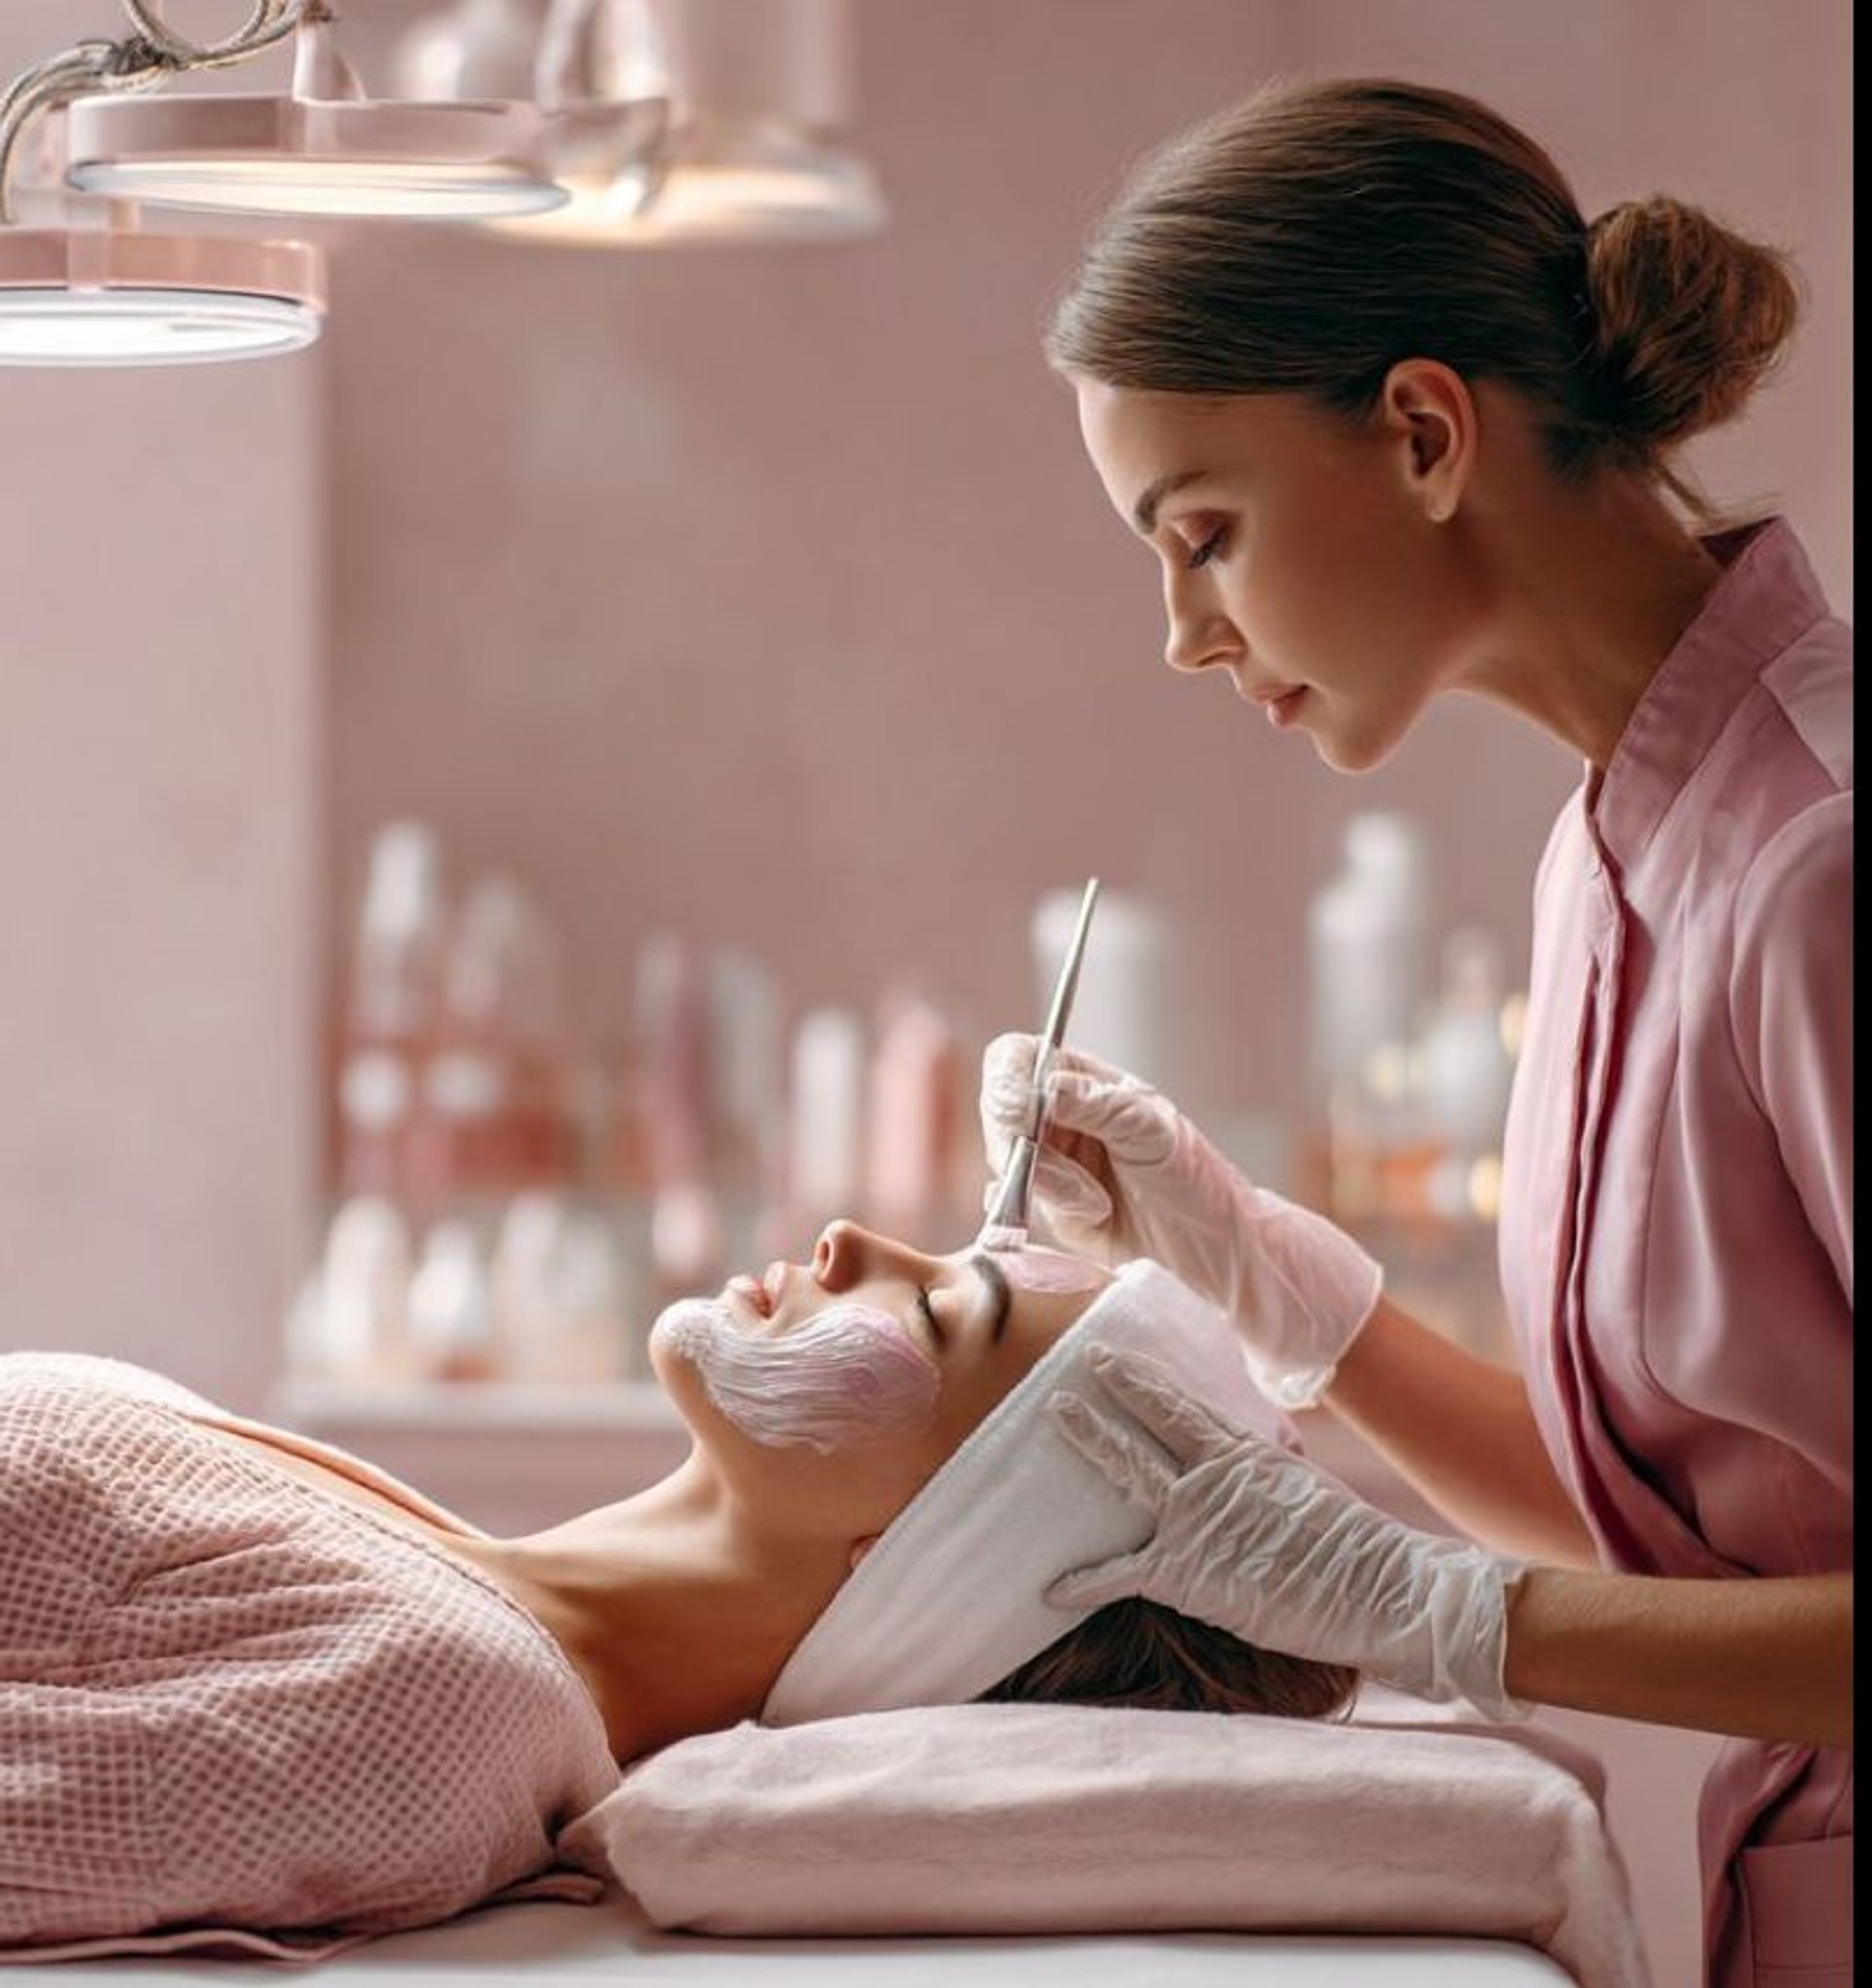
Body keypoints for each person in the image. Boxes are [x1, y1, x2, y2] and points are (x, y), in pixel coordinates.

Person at [977, 73, 1851, 1988]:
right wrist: (1270, 1273)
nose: (1187, 634)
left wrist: (1444, 1614)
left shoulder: (1821, 865)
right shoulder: (1613, 852)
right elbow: (1683, 1540)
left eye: (1201, 532)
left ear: (1426, 433)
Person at [0, 1223, 1353, 1960]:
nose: (848, 1240)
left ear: (932, 1558)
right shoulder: (454, 1578)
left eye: (939, 1314)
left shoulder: (438, 1724)